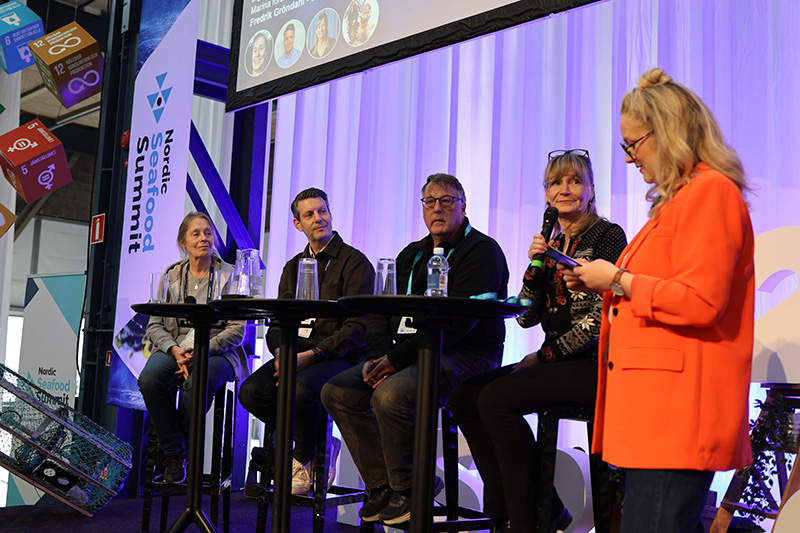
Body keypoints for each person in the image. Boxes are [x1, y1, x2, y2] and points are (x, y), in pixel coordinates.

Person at [562, 68, 755, 532]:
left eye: (633, 144)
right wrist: (607, 283)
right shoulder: (682, 199)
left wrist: (619, 279)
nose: (630, 158)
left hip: (678, 417)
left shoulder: (711, 193)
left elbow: (701, 300)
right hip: (660, 415)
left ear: (667, 134)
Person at [449, 151, 627, 533]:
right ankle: (516, 514)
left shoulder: (607, 235)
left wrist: (544, 356)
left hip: (592, 365)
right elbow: (527, 316)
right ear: (546, 194)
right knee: (465, 396)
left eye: (575, 181)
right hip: (552, 361)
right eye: (556, 182)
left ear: (590, 190)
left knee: (496, 400)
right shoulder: (551, 241)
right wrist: (535, 267)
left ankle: (528, 522)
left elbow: (600, 321)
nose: (566, 189)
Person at [321, 173, 510, 526]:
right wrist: (376, 357)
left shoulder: (483, 251)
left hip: (467, 355)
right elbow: (381, 311)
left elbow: (457, 324)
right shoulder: (412, 254)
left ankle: (410, 488)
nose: (437, 208)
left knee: (390, 395)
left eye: (447, 200)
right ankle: (384, 486)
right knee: (337, 391)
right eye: (430, 202)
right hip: (411, 352)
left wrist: (393, 361)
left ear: (463, 206)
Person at [239, 188, 375, 495]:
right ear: (298, 224)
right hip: (295, 354)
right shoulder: (293, 266)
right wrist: (282, 354)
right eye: (310, 214)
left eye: (322, 211)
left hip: (340, 357)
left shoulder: (354, 262)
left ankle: (301, 458)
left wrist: (313, 354)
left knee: (301, 389)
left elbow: (358, 328)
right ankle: (318, 443)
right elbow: (277, 323)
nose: (319, 218)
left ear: (330, 214)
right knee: (251, 391)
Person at [139, 212, 249, 484]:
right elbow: (154, 325)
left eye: (208, 233)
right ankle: (177, 452)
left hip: (217, 351)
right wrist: (174, 350)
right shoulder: (171, 275)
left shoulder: (231, 275)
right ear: (183, 242)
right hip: (176, 349)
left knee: (196, 383)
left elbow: (237, 330)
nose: (204, 238)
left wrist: (201, 351)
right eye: (196, 233)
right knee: (150, 379)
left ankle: (175, 453)